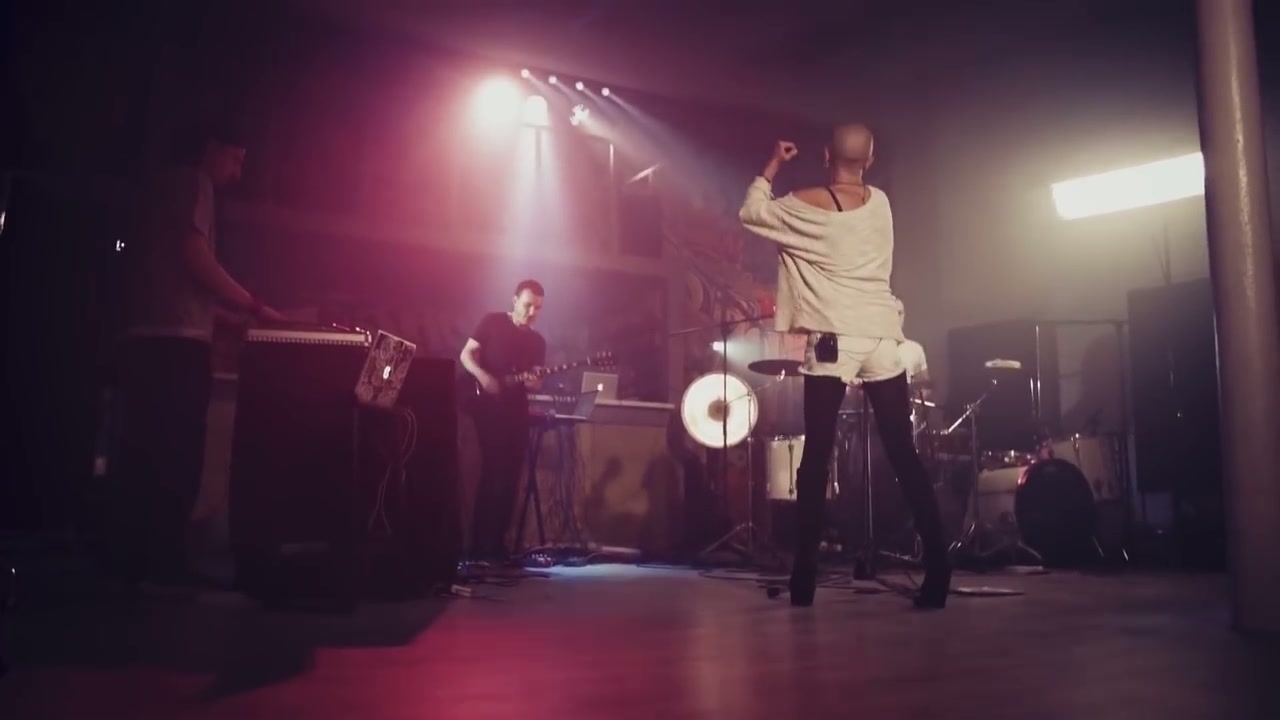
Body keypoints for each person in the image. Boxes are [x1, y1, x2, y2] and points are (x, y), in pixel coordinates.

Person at [738, 125, 950, 609]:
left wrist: (773, 164)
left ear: (825, 155)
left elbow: (752, 211)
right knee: (905, 455)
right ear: (870, 162)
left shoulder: (805, 204)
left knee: (816, 457)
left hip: (835, 340)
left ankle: (804, 579)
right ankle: (939, 571)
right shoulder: (882, 204)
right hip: (882, 336)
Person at [114, 124, 284, 587]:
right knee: (178, 455)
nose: (238, 172)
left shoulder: (155, 186)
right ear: (212, 150)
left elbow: (173, 277)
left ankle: (132, 561)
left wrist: (228, 319)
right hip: (177, 345)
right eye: (235, 159)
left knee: (143, 453)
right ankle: (167, 564)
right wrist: (253, 306)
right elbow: (195, 257)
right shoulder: (195, 183)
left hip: (142, 337)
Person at [459, 280, 548, 562]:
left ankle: (498, 545)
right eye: (528, 305)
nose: (532, 312)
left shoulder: (538, 342)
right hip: (487, 409)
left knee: (511, 476)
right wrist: (483, 377)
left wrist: (534, 382)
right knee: (493, 471)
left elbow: (535, 382)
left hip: (517, 412)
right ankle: (479, 545)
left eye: (538, 308)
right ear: (514, 300)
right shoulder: (492, 322)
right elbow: (466, 354)